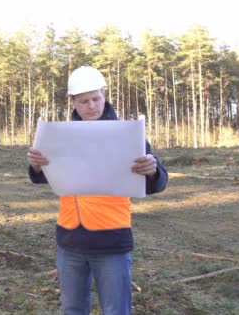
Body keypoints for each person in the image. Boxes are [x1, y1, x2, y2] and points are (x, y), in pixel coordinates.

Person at [27, 66, 168, 315]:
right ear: (73, 102)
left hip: (111, 240)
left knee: (116, 310)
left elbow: (158, 181)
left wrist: (152, 170)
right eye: (84, 101)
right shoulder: (60, 135)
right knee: (72, 309)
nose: (91, 105)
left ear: (104, 95)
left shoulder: (127, 134)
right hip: (69, 239)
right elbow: (43, 177)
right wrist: (37, 167)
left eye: (96, 98)